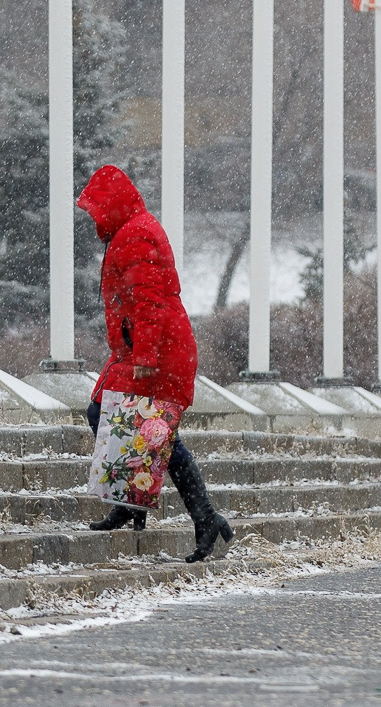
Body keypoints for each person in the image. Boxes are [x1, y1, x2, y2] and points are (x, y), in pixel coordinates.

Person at [75, 164, 234, 563]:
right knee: (118, 419)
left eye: (96, 209)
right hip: (145, 351)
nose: (93, 218)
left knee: (149, 431)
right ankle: (134, 505)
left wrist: (145, 354)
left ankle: (203, 518)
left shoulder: (135, 234)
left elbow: (150, 302)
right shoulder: (130, 231)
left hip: (158, 354)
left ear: (112, 205)